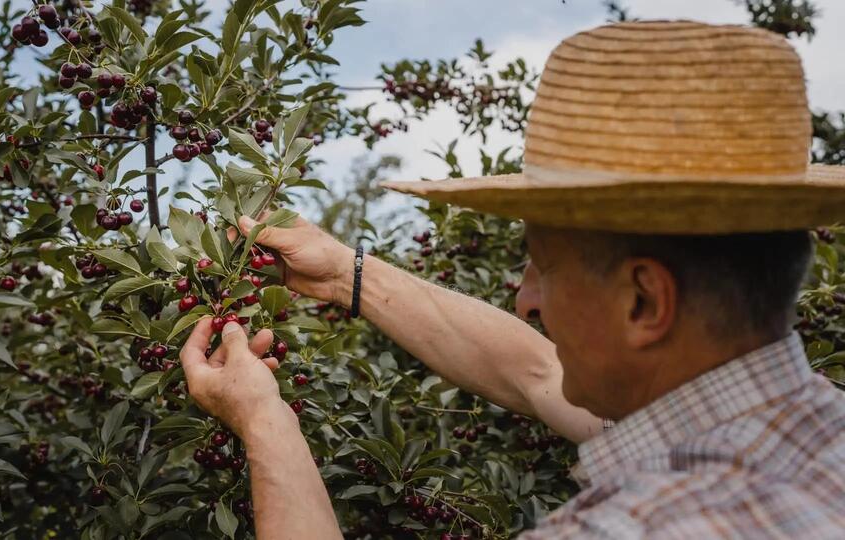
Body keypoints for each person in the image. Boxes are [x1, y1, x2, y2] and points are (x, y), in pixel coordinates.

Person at [179, 20, 845, 539]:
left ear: (644, 301)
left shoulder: (628, 528)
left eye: (543, 267)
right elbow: (536, 372)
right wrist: (345, 274)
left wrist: (265, 422)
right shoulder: (810, 433)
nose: (526, 301)